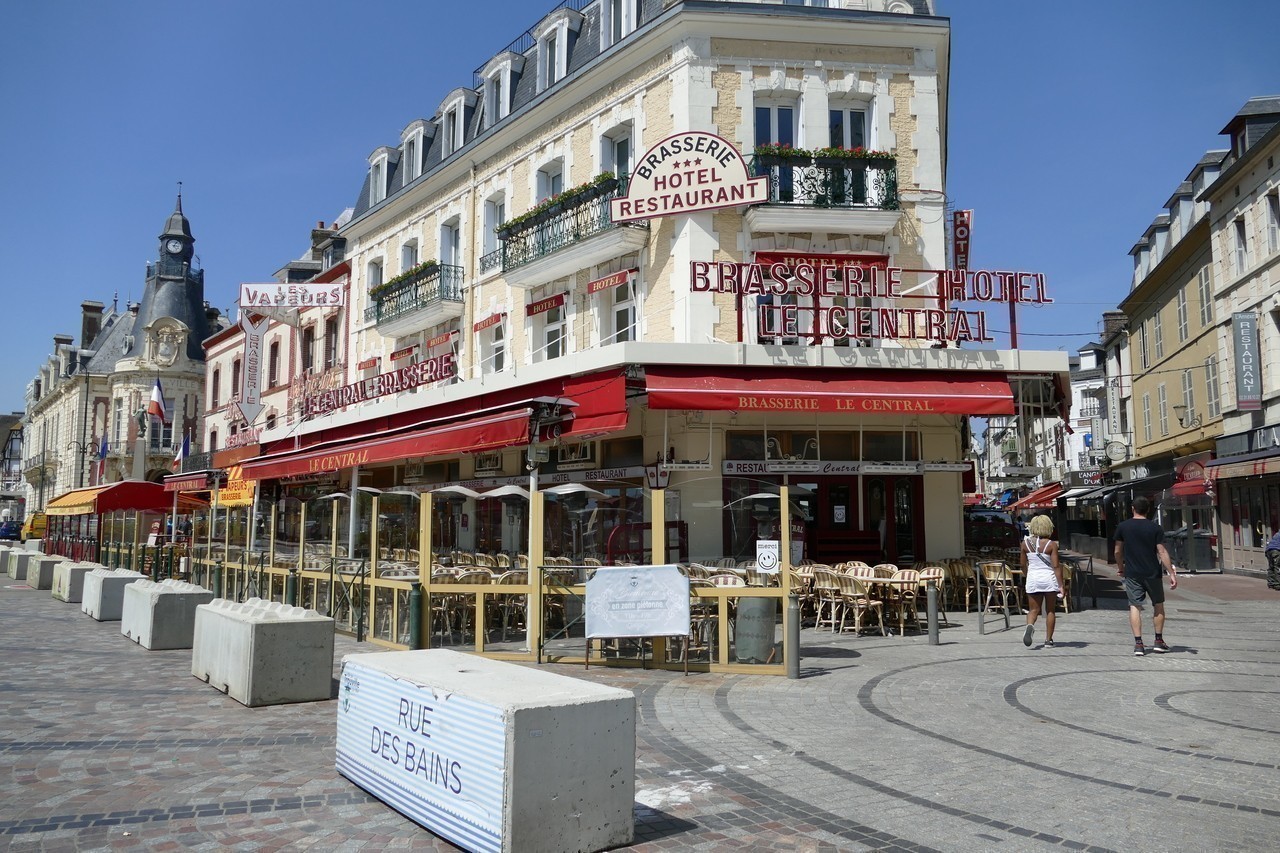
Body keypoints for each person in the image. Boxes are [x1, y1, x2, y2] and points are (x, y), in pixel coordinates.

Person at [1114, 496, 1178, 656]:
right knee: (1158, 604)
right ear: (1148, 510)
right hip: (1152, 572)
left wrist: (1121, 567)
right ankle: (1158, 641)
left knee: (1134, 606)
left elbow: (1117, 551)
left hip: (1132, 573)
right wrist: (1171, 573)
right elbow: (1162, 552)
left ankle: (1138, 644)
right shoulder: (1155, 528)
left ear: (1132, 509)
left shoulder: (1123, 527)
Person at [1019, 514, 1063, 648]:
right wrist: (1061, 585)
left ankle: (1030, 626)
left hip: (1033, 578)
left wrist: (1028, 575)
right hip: (1049, 578)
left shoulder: (1025, 544)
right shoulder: (1051, 544)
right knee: (1050, 610)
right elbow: (1056, 566)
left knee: (1033, 609)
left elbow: (1022, 564)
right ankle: (1048, 640)